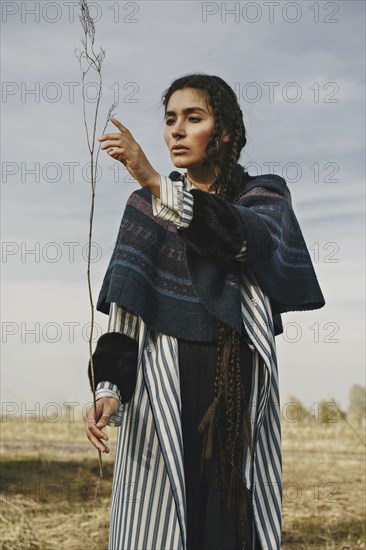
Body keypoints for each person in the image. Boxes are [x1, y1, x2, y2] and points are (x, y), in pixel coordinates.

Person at [83, 74, 325, 550]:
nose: (176, 130)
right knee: (164, 522)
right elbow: (125, 315)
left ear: (226, 131)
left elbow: (235, 236)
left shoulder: (264, 196)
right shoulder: (143, 206)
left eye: (193, 118)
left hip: (236, 380)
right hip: (162, 381)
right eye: (170, 119)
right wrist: (109, 389)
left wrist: (153, 180)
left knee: (232, 517)